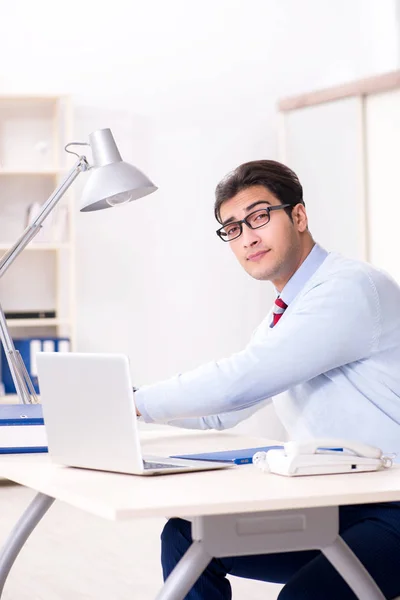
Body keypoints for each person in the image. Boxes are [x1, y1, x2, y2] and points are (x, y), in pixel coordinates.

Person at [134, 160, 400, 600]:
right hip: (335, 507)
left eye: (259, 217)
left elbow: (241, 382)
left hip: (392, 507)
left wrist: (137, 402)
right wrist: (126, 404)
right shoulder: (288, 315)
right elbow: (224, 410)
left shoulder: (348, 289)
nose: (248, 237)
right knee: (188, 539)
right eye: (233, 228)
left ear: (298, 216)